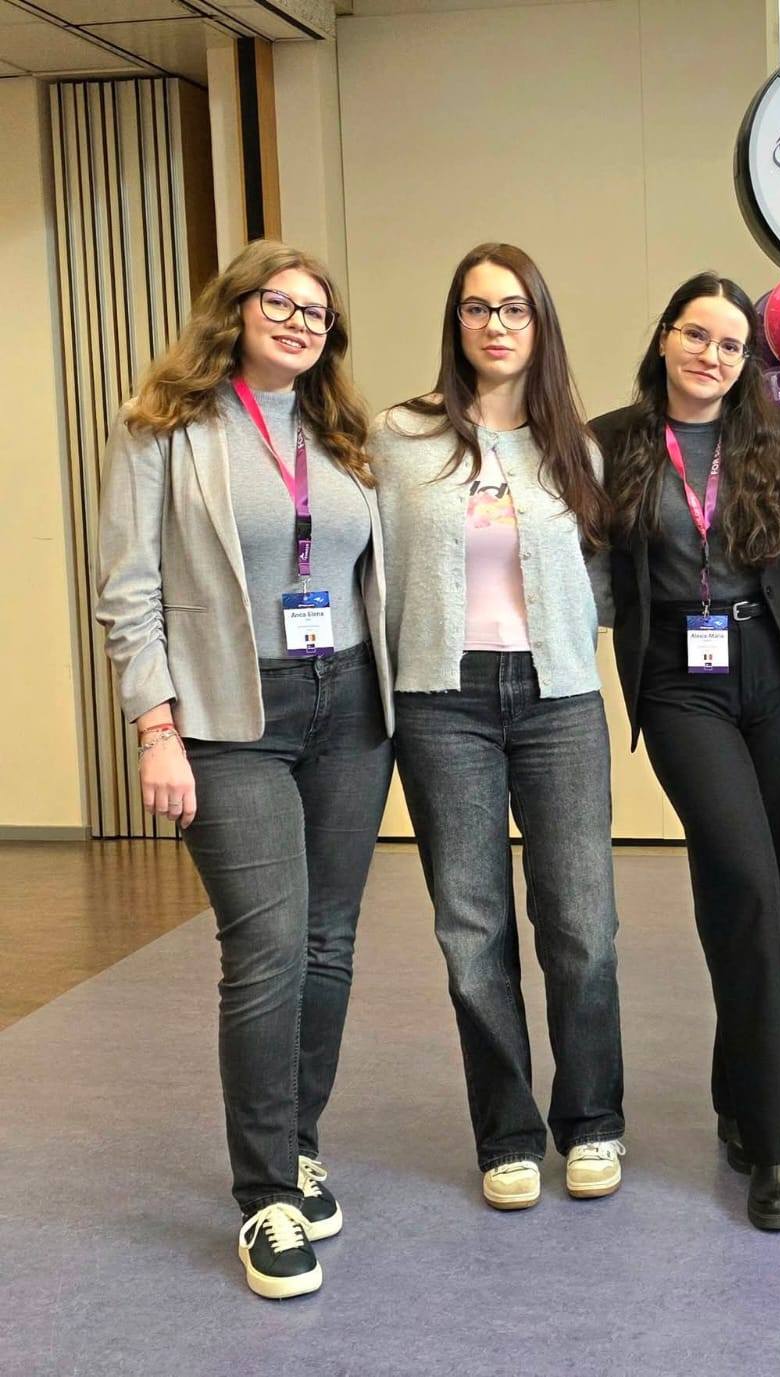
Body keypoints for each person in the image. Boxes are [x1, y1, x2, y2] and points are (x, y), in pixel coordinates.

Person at [95, 240, 393, 1299]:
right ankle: (264, 1194)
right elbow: (129, 589)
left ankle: (299, 1144)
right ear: (236, 307)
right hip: (231, 714)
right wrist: (154, 728)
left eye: (318, 313)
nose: (302, 324)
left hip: (350, 706)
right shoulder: (162, 426)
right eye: (282, 303)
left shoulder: (341, 431)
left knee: (326, 944)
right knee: (266, 948)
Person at [369, 243, 624, 1213]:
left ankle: (592, 1121)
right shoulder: (400, 438)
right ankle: (508, 1133)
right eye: (478, 308)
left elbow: (600, 580)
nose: (496, 325)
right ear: (456, 323)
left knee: (582, 924)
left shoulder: (576, 448)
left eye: (514, 308)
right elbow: (367, 562)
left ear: (539, 323)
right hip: (444, 702)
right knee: (471, 928)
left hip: (557, 698)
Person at [592, 271, 780, 1231]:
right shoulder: (612, 442)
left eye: (732, 344)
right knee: (742, 879)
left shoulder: (772, 441)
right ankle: (777, 1144)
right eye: (697, 335)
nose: (712, 355)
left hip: (775, 668)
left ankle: (745, 1094)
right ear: (664, 337)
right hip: (679, 681)